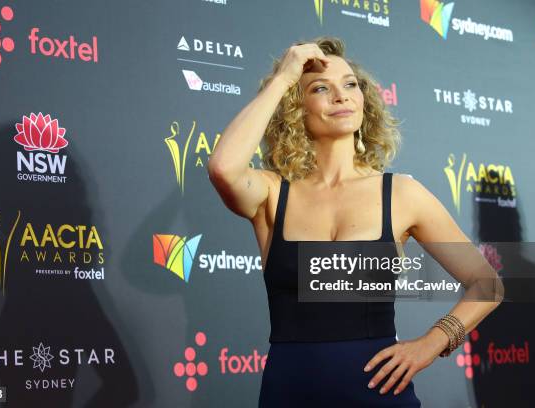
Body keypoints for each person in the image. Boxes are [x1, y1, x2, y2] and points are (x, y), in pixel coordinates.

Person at [207, 36, 503, 407]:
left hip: (379, 392)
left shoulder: (401, 194)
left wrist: (432, 343)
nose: (341, 96)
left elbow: (487, 284)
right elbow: (222, 168)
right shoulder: (272, 193)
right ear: (296, 108)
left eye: (350, 85)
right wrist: (283, 77)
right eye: (320, 88)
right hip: (288, 393)